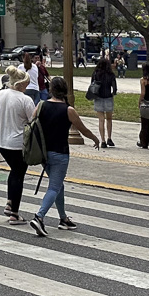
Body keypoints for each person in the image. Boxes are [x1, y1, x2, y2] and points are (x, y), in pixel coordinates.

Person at [29, 76, 101, 237]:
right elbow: (82, 129)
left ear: (51, 90)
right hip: (60, 153)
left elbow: (31, 123)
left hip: (43, 153)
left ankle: (63, 218)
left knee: (58, 185)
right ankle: (39, 217)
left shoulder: (41, 105)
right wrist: (95, 139)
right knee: (54, 187)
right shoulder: (69, 110)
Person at [0, 66, 35, 222]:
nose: (27, 86)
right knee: (19, 174)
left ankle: (10, 202)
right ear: (20, 84)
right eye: (26, 83)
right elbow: (33, 120)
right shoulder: (25, 99)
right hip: (17, 143)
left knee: (14, 171)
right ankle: (14, 212)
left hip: (1, 140)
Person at [89, 54, 118, 148]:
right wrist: (113, 93)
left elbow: (92, 84)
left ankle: (103, 140)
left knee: (101, 120)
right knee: (109, 119)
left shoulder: (96, 74)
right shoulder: (111, 75)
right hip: (108, 97)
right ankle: (109, 138)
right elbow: (114, 87)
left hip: (98, 97)